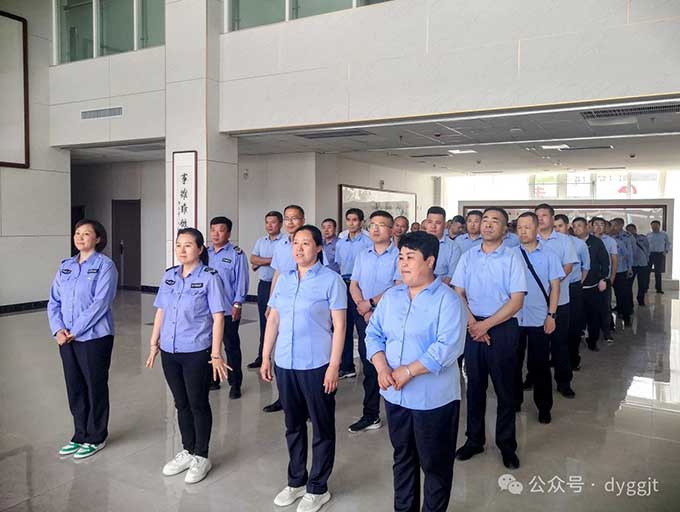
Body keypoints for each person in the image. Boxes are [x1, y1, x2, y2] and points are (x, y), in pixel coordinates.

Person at [366, 231, 466, 512]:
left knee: (434, 465)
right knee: (403, 458)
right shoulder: (392, 296)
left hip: (433, 400)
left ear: (430, 261)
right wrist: (381, 366)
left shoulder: (447, 300)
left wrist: (408, 371)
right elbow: (373, 333)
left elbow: (447, 348)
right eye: (400, 257)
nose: (403, 264)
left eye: (410, 257)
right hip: (395, 396)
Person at [260, 225, 346, 512]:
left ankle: (318, 487)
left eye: (306, 243)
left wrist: (334, 366)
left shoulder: (331, 281)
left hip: (317, 364)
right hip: (286, 363)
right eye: (295, 243)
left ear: (319, 248)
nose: (298, 248)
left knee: (322, 427)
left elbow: (340, 326)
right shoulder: (284, 279)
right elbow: (273, 319)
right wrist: (265, 356)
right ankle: (296, 480)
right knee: (293, 425)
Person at [145, 228, 229, 484]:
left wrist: (216, 353)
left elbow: (218, 317)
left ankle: (202, 455)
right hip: (169, 350)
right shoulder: (170, 276)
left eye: (188, 245)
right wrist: (154, 342)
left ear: (200, 249)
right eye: (179, 245)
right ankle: (188, 450)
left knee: (197, 403)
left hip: (196, 351)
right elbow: (161, 310)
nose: (182, 250)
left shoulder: (209, 277)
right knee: (181, 403)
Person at [453, 207, 527, 470]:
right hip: (473, 326)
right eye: (485, 220)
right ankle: (474, 440)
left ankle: (507, 446)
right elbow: (458, 292)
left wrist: (486, 325)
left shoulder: (512, 258)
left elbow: (516, 301)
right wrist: (474, 324)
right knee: (474, 387)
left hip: (502, 328)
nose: (487, 224)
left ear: (505, 230)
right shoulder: (468, 256)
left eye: (495, 221)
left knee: (505, 390)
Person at [48, 219, 118, 460]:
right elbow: (54, 300)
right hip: (66, 338)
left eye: (86, 234)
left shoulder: (105, 266)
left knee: (94, 385)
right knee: (75, 386)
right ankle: (79, 434)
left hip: (94, 337)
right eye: (77, 233)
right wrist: (58, 330)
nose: (80, 237)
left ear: (97, 238)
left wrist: (74, 331)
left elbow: (101, 303)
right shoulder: (66, 266)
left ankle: (96, 436)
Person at [264, 205, 329, 413]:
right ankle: (283, 399)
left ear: (303, 220)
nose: (290, 222)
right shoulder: (281, 245)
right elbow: (277, 273)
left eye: (295, 218)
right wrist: (271, 302)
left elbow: (322, 274)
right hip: (284, 297)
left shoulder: (313, 244)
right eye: (287, 218)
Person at [348, 210, 400, 433]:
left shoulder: (400, 255)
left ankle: (397, 410)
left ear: (392, 230)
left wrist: (370, 304)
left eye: (381, 225)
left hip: (389, 316)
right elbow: (353, 284)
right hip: (364, 316)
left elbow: (398, 286)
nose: (375, 229)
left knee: (392, 363)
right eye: (372, 225)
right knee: (369, 365)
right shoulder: (363, 255)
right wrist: (363, 308)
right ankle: (371, 414)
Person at [514, 212, 563, 424]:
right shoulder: (509, 254)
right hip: (513, 318)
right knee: (512, 363)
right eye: (519, 228)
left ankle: (544, 407)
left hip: (539, 318)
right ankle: (514, 401)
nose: (523, 231)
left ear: (536, 229)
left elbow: (555, 288)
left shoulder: (550, 255)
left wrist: (551, 315)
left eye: (527, 227)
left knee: (539, 365)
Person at [534, 204, 578, 398]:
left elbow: (568, 266)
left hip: (560, 301)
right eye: (537, 215)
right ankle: (533, 377)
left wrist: (553, 284)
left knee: (560, 344)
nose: (540, 219)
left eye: (544, 215)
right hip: (534, 304)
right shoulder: (528, 238)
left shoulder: (564, 240)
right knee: (536, 346)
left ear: (552, 219)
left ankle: (563, 382)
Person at [208, 216, 249, 398]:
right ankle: (213, 379)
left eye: (221, 230)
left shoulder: (236, 254)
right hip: (207, 310)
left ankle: (235, 383)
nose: (216, 234)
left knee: (231, 346)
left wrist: (238, 303)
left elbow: (242, 280)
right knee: (208, 346)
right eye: (213, 230)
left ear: (229, 233)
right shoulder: (204, 253)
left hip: (226, 308)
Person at [334, 208, 373, 380]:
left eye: (355, 220)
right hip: (343, 285)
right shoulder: (341, 242)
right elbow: (339, 265)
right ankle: (347, 366)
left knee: (362, 327)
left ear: (361, 222)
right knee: (343, 326)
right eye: (348, 219)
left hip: (360, 288)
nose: (351, 223)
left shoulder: (367, 242)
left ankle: (369, 367)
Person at [554, 214, 590, 372]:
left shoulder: (578, 244)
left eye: (560, 226)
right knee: (555, 325)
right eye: (554, 227)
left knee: (573, 326)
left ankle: (573, 359)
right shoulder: (547, 244)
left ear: (567, 226)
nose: (557, 230)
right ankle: (556, 358)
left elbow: (586, 267)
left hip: (572, 287)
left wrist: (578, 283)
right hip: (554, 288)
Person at [248, 210, 283, 369]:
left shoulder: (285, 242)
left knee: (281, 322)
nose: (269, 225)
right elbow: (252, 259)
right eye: (267, 222)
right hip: (264, 285)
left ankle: (280, 358)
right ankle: (263, 356)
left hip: (281, 287)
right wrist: (272, 260)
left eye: (273, 222)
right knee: (265, 321)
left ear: (280, 224)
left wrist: (261, 262)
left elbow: (259, 262)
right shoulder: (261, 241)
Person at [573, 217, 610, 352]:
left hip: (592, 285)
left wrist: (603, 278)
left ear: (587, 227)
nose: (577, 229)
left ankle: (592, 341)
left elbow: (605, 262)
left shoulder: (596, 242)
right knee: (576, 315)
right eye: (574, 226)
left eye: (579, 226)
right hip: (575, 285)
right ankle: (576, 339)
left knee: (593, 315)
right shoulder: (570, 242)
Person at [407, 206, 461, 285]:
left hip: (441, 288)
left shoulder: (453, 248)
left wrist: (434, 290)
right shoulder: (415, 244)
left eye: (438, 223)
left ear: (445, 225)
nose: (433, 226)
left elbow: (451, 276)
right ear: (426, 223)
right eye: (430, 222)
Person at [591, 217, 617, 344]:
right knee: (590, 307)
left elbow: (614, 261)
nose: (599, 226)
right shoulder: (587, 240)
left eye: (602, 224)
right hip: (590, 280)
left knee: (605, 307)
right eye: (596, 224)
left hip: (605, 278)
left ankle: (607, 332)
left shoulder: (610, 241)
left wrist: (611, 278)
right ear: (591, 226)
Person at [610, 218, 635, 326]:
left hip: (620, 270)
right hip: (607, 272)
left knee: (623, 294)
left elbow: (629, 253)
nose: (613, 228)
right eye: (611, 225)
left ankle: (626, 315)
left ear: (620, 225)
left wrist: (630, 267)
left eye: (615, 225)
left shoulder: (625, 238)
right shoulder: (604, 239)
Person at [626, 223, 651, 306]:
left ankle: (640, 299)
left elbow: (648, 248)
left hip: (642, 264)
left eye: (632, 229)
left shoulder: (642, 238)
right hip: (631, 265)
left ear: (635, 230)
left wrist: (646, 258)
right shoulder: (626, 239)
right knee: (628, 284)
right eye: (628, 230)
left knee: (642, 284)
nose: (630, 231)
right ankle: (629, 301)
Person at [647, 220, 671, 293]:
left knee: (658, 272)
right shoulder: (648, 234)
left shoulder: (664, 234)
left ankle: (658, 289)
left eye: (656, 226)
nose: (654, 227)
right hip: (649, 254)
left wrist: (665, 251)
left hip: (659, 254)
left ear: (659, 226)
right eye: (653, 226)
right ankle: (645, 288)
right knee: (647, 271)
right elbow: (645, 244)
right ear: (651, 226)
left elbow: (668, 243)